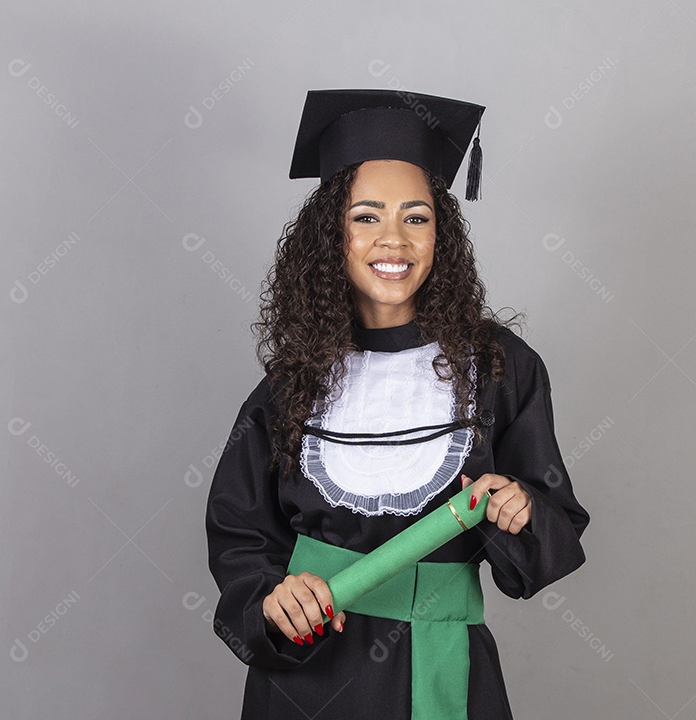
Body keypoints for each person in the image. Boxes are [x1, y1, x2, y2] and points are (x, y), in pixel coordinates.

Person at [205, 89, 590, 720]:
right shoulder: (290, 386)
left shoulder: (499, 368)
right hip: (310, 679)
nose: (394, 240)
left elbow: (554, 526)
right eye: (366, 217)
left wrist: (521, 508)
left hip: (441, 665)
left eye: (416, 218)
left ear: (442, 233)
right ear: (331, 233)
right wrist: (272, 597)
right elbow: (240, 538)